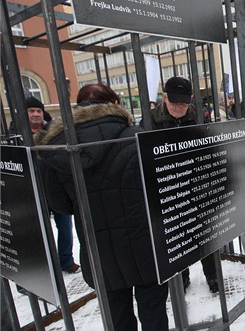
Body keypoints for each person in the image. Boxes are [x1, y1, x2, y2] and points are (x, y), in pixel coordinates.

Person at [35, 84, 168, 330]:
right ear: (114, 103)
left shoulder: (53, 148)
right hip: (145, 246)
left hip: (98, 251)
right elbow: (159, 192)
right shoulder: (137, 136)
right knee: (153, 314)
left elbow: (60, 205)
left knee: (118, 319)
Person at [144, 76, 219, 293]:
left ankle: (212, 276)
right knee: (176, 238)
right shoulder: (149, 121)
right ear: (164, 97)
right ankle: (181, 277)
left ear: (192, 99)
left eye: (184, 103)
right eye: (175, 102)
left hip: (198, 185)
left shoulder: (200, 118)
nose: (179, 108)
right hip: (167, 188)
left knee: (206, 234)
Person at [9, 97, 80, 275]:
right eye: (31, 111)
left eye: (38, 111)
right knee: (36, 232)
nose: (35, 114)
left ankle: (66, 260)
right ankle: (42, 266)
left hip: (56, 188)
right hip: (30, 190)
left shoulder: (54, 132)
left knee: (65, 227)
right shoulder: (16, 136)